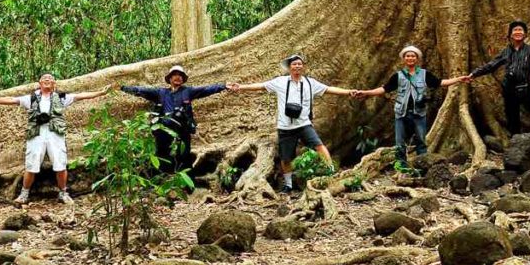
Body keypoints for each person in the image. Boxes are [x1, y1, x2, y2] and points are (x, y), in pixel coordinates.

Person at [228, 54, 358, 193]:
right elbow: (261, 86)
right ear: (290, 67)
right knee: (286, 158)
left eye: (299, 64)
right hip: (285, 126)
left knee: (319, 146)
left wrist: (348, 92)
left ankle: (331, 172)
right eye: (294, 64)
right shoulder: (280, 82)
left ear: (303, 67)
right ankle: (288, 185)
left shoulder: (310, 83)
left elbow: (328, 89)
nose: (297, 66)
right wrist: (240, 87)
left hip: (304, 124)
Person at [0, 74, 111, 204]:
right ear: (40, 83)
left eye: (50, 78)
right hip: (37, 133)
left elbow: (81, 95)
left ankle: (63, 193)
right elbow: (12, 100)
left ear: (54, 83)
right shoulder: (31, 98)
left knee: (60, 163)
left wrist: (101, 92)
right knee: (31, 164)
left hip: (55, 132)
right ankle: (24, 194)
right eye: (44, 78)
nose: (47, 79)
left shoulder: (61, 98)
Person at [353, 45, 464, 164]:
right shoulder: (398, 76)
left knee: (421, 141)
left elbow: (440, 82)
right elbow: (384, 89)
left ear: (417, 59)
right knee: (400, 142)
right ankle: (402, 166)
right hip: (401, 113)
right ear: (404, 59)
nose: (410, 58)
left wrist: (459, 79)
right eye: (407, 56)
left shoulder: (424, 74)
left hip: (419, 113)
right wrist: (366, 92)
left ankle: (423, 165)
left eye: (413, 56)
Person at [465, 21, 530, 137]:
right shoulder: (506, 52)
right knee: (512, 118)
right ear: (510, 35)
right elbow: (491, 65)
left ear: (525, 34)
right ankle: (515, 143)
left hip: (526, 89)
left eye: (520, 30)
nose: (518, 32)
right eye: (515, 30)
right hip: (509, 90)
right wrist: (474, 74)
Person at [119, 65, 226, 174]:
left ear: (183, 79)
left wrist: (225, 86)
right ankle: (163, 179)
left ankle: (186, 186)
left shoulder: (188, 91)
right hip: (164, 130)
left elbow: (206, 89)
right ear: (169, 78)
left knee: (184, 155)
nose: (177, 77)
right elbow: (141, 91)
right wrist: (122, 87)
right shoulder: (161, 93)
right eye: (174, 75)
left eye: (180, 75)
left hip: (182, 129)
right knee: (162, 154)